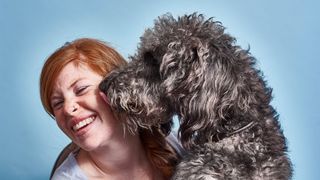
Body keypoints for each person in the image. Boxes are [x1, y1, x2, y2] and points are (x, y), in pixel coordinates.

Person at [40, 38, 183, 180]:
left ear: (119, 85)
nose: (68, 108)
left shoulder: (178, 143)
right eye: (58, 103)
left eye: (81, 89)